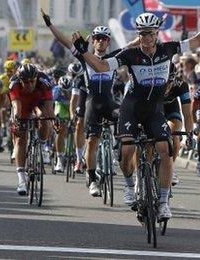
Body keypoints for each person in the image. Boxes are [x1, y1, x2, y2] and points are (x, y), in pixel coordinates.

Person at [71, 0, 200, 219]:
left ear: (157, 33)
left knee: (165, 150)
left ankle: (163, 202)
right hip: (132, 107)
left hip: (154, 109)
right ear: (139, 34)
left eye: (151, 33)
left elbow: (199, 40)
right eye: (143, 34)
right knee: (127, 152)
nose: (147, 38)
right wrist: (84, 53)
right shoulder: (130, 55)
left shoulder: (169, 49)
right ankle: (128, 185)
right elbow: (102, 66)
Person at [41, 8, 139, 197]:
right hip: (93, 104)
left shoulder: (115, 57)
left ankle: (120, 153)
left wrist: (150, 34)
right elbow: (65, 40)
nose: (101, 41)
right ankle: (92, 178)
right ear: (93, 41)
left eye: (104, 38)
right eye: (98, 38)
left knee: (127, 128)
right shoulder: (84, 55)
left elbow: (135, 43)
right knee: (92, 141)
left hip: (110, 103)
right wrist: (50, 24)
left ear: (108, 42)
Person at [9, 64, 54, 196]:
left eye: (32, 82)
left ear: (36, 79)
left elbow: (49, 107)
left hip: (38, 102)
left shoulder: (44, 81)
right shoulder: (14, 83)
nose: (29, 85)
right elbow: (16, 106)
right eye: (26, 82)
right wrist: (17, 119)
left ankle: (42, 145)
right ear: (20, 80)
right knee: (20, 139)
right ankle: (21, 180)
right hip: (21, 103)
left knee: (45, 119)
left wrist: (51, 120)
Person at [163, 67, 194, 186]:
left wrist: (189, 135)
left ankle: (171, 167)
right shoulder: (152, 82)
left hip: (171, 109)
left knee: (174, 134)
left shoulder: (181, 85)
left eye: (169, 82)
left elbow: (187, 114)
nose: (166, 86)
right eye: (164, 82)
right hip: (153, 109)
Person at [67, 62, 87, 174]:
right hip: (84, 101)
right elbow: (74, 99)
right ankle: (79, 159)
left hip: (100, 100)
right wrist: (72, 115)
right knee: (79, 124)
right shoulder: (80, 79)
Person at [53, 76, 72, 172]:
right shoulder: (56, 90)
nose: (65, 92)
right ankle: (59, 159)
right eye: (63, 90)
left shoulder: (74, 89)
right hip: (61, 107)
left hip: (72, 106)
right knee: (61, 129)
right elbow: (51, 104)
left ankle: (78, 154)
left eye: (67, 90)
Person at [0, 60, 18, 153]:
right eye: (7, 70)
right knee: (5, 95)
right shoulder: (2, 78)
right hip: (5, 99)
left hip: (15, 100)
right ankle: (3, 126)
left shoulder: (18, 77)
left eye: (11, 70)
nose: (9, 73)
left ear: (14, 70)